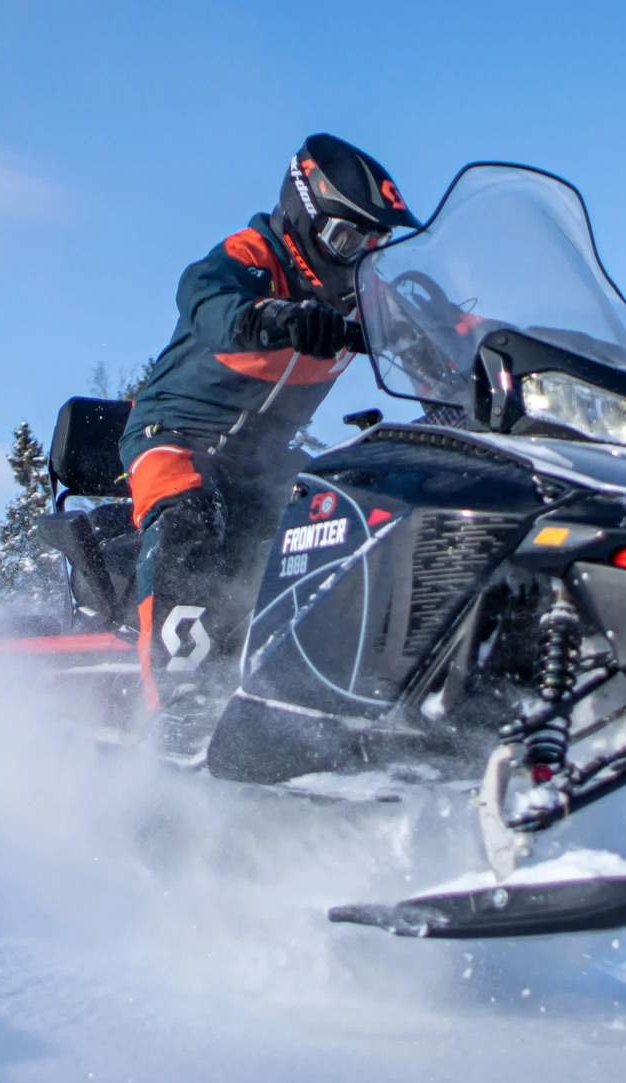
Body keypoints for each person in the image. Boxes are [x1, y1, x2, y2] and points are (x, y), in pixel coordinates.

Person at [117, 133, 421, 728]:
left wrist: (494, 345)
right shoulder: (254, 254)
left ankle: (337, 695)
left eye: (375, 245)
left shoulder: (363, 296)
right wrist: (273, 316)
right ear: (307, 214)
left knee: (350, 518)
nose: (359, 257)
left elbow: (437, 326)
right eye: (348, 239)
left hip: (264, 459)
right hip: (174, 435)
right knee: (191, 517)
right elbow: (206, 298)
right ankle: (176, 715)